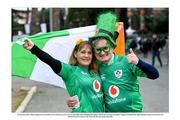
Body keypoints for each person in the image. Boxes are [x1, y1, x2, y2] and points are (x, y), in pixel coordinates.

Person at [67, 12, 159, 112]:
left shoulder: (127, 61)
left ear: (112, 47)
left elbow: (155, 74)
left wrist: (138, 62)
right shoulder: (96, 65)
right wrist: (73, 100)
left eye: (105, 48)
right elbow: (82, 80)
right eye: (98, 50)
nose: (102, 53)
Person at [23, 38, 104, 112]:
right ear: (75, 54)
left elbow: (107, 51)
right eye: (83, 52)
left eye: (89, 53)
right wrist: (34, 48)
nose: (86, 55)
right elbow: (51, 61)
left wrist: (116, 32)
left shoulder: (96, 71)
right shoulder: (70, 71)